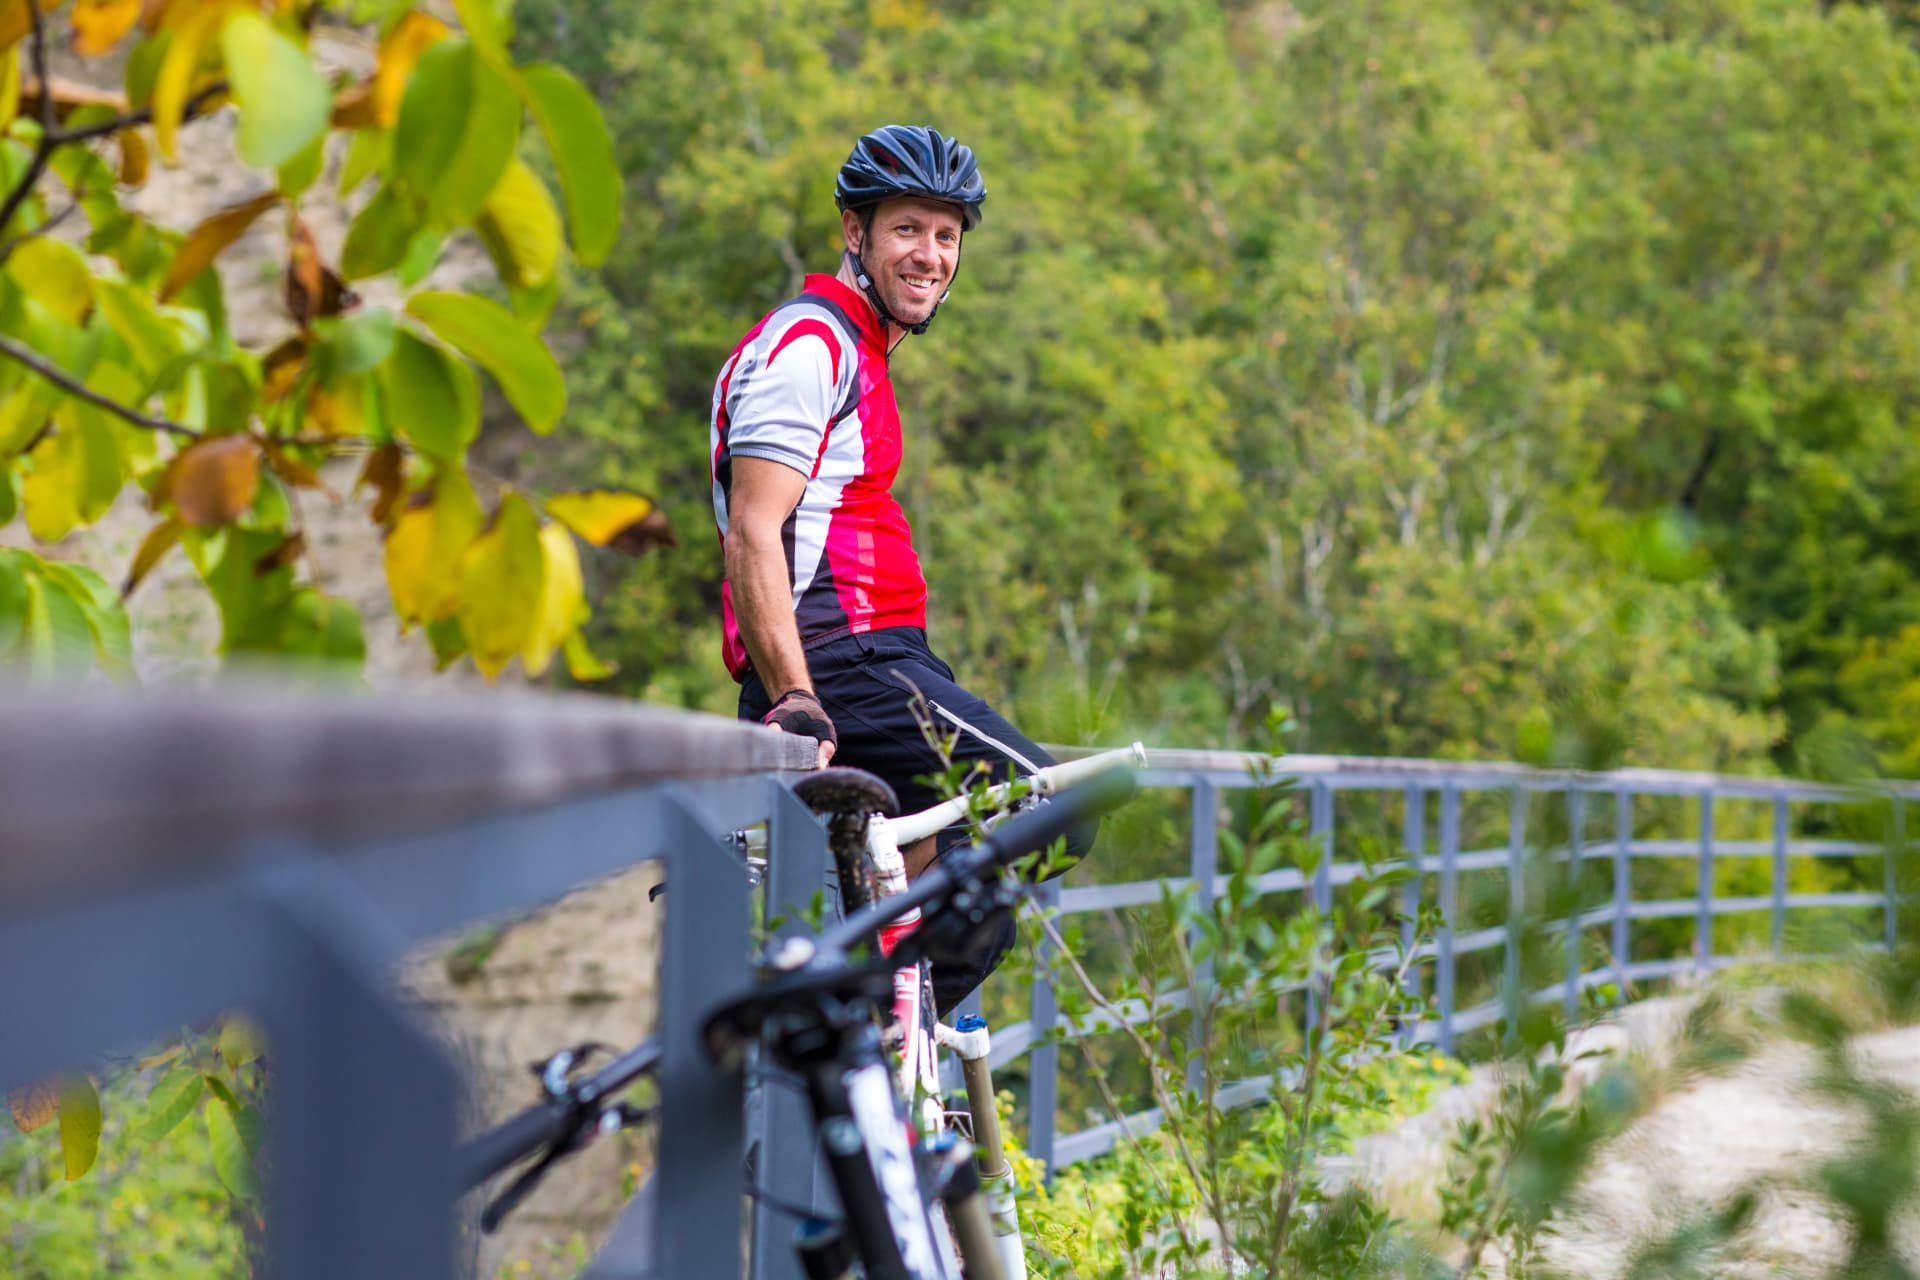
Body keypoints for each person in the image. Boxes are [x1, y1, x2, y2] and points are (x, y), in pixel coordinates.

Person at [707, 124, 1094, 1013]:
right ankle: (868, 1022)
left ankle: (878, 1023)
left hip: (883, 659)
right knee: (1050, 810)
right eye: (908, 230)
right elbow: (752, 534)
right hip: (842, 663)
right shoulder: (810, 347)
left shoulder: (855, 349)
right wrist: (795, 697)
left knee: (949, 868)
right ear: (856, 232)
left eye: (947, 235)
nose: (930, 254)